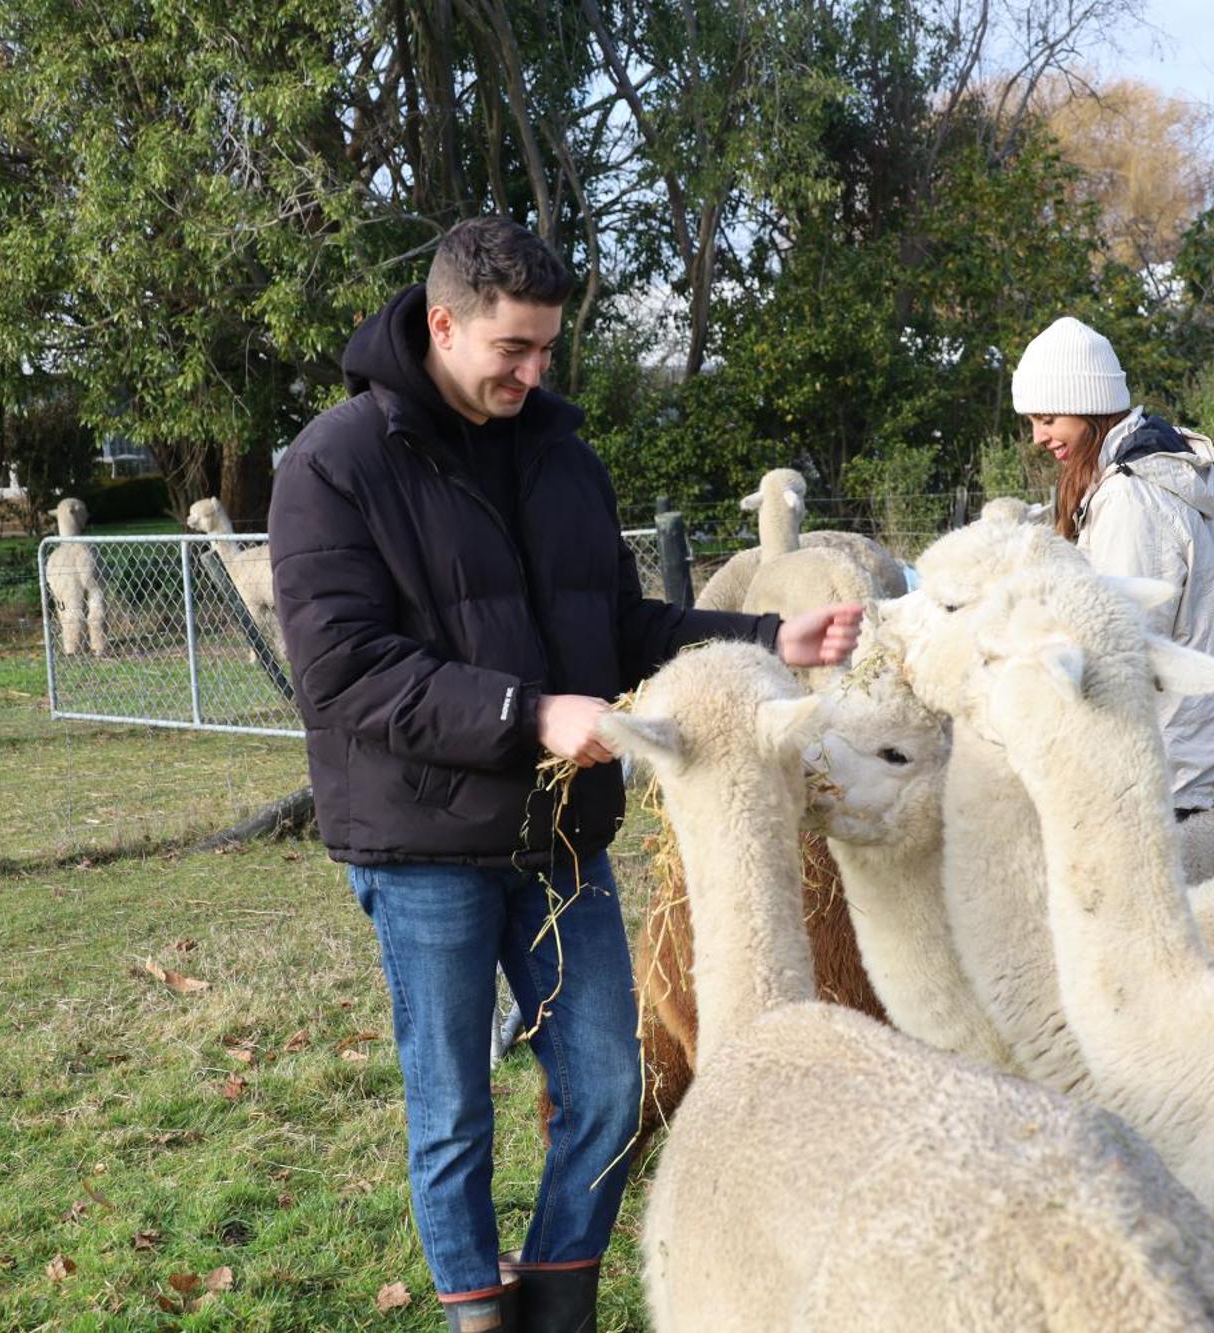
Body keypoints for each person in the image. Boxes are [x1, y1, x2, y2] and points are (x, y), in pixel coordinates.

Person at [269, 217, 860, 1333]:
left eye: (547, 351)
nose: (534, 374)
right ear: (442, 324)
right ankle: (478, 1319)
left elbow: (618, 622)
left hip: (561, 840)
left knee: (603, 1090)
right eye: (512, 351)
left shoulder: (559, 457)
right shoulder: (335, 465)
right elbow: (343, 673)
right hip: (420, 839)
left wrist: (766, 636)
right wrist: (527, 712)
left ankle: (555, 1308)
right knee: (453, 1112)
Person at [1010, 315, 1214, 817]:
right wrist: (1203, 602)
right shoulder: (1166, 464)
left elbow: (1122, 640)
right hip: (1188, 744)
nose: (1038, 437)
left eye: (1047, 419)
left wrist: (1197, 606)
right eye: (1032, 423)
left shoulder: (1131, 498)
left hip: (1170, 761)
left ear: (1086, 407)